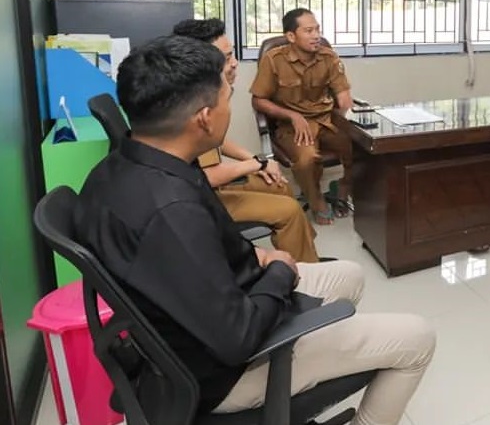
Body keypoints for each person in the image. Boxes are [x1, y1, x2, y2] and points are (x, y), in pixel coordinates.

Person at [75, 36, 436, 424]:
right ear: (204, 117)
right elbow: (238, 337)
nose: (230, 106)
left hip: (206, 316)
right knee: (418, 338)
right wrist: (279, 269)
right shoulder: (172, 211)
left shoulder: (119, 169)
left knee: (350, 275)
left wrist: (256, 257)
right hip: (222, 371)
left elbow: (201, 261)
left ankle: (323, 352)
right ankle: (313, 357)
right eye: (227, 97)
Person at [173, 18, 319, 262]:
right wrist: (257, 164)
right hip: (200, 198)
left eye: (232, 55)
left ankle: (304, 252)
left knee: (279, 184)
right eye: (227, 57)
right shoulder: (195, 106)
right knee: (290, 211)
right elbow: (206, 176)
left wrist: (254, 159)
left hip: (204, 186)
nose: (234, 63)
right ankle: (304, 271)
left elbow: (215, 141)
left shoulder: (195, 90)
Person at [251, 8, 355, 224]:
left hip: (327, 120)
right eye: (308, 31)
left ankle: (343, 187)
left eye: (317, 29)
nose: (316, 36)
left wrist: (347, 116)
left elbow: (344, 98)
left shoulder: (329, 57)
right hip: (292, 126)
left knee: (363, 147)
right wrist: (292, 116)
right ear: (291, 36)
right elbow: (258, 101)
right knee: (307, 158)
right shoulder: (274, 60)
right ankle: (317, 200)